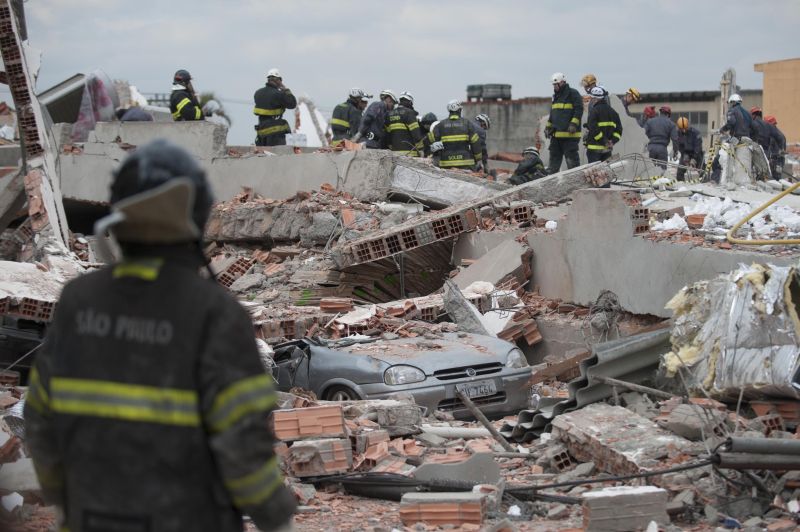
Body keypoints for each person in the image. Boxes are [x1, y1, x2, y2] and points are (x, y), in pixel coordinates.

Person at [24, 139, 297, 532]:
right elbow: (242, 447)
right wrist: (275, 514)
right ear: (197, 213)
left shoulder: (78, 301)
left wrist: (63, 499)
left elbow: (39, 417)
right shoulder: (215, 314)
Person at [545, 72, 583, 173]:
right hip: (556, 136)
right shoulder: (556, 96)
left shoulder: (573, 93)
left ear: (562, 83)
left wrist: (573, 124)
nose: (554, 87)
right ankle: (550, 184)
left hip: (570, 137)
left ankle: (577, 183)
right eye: (553, 85)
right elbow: (553, 114)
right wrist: (548, 127)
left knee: (572, 163)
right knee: (553, 163)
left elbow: (579, 109)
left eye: (555, 84)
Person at [427, 100, 482, 170]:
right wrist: (478, 158)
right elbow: (475, 143)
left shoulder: (440, 125)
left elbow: (430, 140)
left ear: (449, 111)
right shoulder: (467, 123)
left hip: (446, 164)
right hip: (466, 163)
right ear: (459, 110)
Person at [253, 68, 297, 146]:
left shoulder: (258, 93)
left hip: (261, 131)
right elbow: (292, 104)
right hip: (275, 133)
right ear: (278, 80)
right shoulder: (278, 94)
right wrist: (286, 90)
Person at [584, 86, 622, 163]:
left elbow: (594, 129)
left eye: (591, 98)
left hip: (594, 149)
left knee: (594, 173)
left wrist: (604, 142)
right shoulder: (613, 112)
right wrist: (612, 141)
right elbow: (618, 130)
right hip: (607, 150)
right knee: (605, 173)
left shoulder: (594, 111)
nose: (591, 101)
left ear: (595, 99)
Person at [644, 105, 677, 170]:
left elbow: (642, 133)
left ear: (660, 113)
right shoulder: (671, 124)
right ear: (668, 115)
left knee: (648, 170)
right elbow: (675, 139)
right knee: (662, 171)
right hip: (662, 149)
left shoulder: (650, 121)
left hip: (650, 148)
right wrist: (675, 151)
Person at [674, 116, 703, 181]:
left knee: (702, 171)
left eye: (685, 128)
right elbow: (680, 145)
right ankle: (681, 185)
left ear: (688, 125)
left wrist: (694, 158)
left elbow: (698, 146)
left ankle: (705, 182)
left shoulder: (696, 133)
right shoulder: (678, 133)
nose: (684, 130)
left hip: (696, 154)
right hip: (686, 153)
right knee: (680, 172)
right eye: (681, 129)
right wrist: (684, 155)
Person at [765, 115, 787, 179]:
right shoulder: (775, 134)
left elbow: (780, 152)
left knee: (775, 180)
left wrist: (773, 159)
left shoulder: (778, 136)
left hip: (776, 162)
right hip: (775, 161)